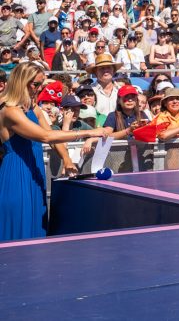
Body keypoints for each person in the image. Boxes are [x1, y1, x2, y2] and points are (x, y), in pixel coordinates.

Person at [0, 63, 111, 241]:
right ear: (21, 82)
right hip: (16, 175)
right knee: (18, 233)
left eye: (40, 84)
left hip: (34, 173)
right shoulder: (9, 110)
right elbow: (46, 136)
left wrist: (66, 159)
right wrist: (89, 132)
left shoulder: (31, 107)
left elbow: (51, 134)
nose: (37, 89)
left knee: (35, 227)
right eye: (34, 84)